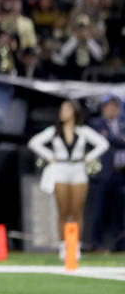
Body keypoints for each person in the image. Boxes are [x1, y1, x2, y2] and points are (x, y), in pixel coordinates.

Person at [28, 100, 109, 260]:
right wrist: (50, 156)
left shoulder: (83, 131)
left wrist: (89, 157)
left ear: (74, 112)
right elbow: (34, 142)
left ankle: (75, 246)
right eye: (62, 109)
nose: (62, 112)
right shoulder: (54, 131)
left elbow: (103, 144)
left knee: (77, 211)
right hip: (60, 170)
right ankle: (63, 246)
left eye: (66, 109)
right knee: (63, 211)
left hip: (78, 170)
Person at [88, 95, 125, 252]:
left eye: (114, 107)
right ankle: (96, 243)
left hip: (121, 173)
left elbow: (112, 141)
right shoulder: (96, 124)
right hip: (103, 173)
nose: (112, 110)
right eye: (108, 107)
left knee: (119, 211)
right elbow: (108, 142)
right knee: (99, 210)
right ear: (103, 109)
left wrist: (113, 140)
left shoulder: (122, 124)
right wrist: (119, 141)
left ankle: (119, 244)